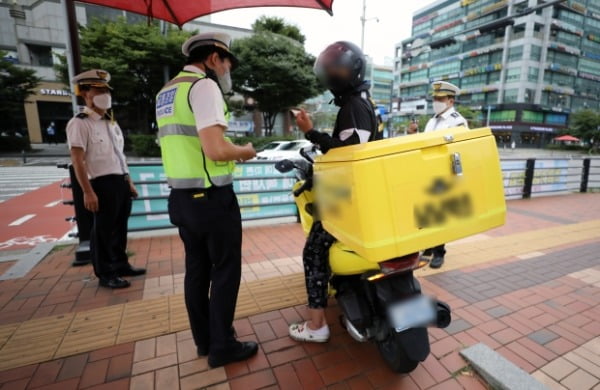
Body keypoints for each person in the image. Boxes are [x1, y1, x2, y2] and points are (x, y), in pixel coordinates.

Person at [156, 32, 257, 368]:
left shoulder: (166, 92)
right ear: (214, 59)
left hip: (182, 198)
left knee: (196, 271)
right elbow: (215, 149)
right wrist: (244, 152)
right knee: (226, 270)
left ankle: (205, 341)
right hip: (211, 196)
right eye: (227, 62)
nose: (228, 70)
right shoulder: (204, 86)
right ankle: (223, 346)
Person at [288, 41, 381, 343]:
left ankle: (317, 326)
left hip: (347, 202)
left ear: (354, 69)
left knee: (313, 251)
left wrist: (310, 132)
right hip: (363, 197)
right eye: (330, 70)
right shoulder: (361, 102)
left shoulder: (355, 105)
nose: (333, 75)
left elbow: (348, 154)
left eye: (338, 68)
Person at [66, 69, 146, 289]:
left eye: (106, 90)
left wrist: (128, 181)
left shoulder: (110, 121)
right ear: (85, 94)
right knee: (102, 231)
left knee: (119, 227)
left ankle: (121, 265)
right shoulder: (80, 123)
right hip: (100, 184)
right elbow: (77, 160)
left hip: (119, 181)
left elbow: (120, 155)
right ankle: (105, 273)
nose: (105, 94)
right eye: (98, 90)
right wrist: (88, 191)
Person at [409, 80, 468, 268]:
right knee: (426, 211)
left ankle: (439, 252)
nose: (436, 101)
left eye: (440, 98)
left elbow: (460, 148)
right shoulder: (433, 120)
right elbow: (423, 144)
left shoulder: (457, 121)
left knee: (439, 213)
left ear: (451, 101)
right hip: (427, 172)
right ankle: (427, 246)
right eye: (434, 98)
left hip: (444, 173)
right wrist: (414, 133)